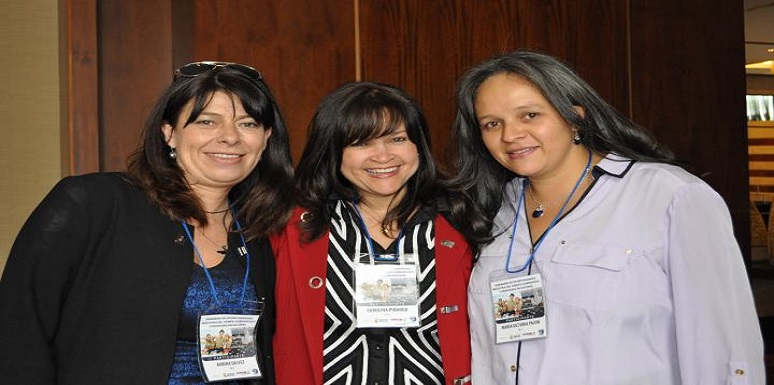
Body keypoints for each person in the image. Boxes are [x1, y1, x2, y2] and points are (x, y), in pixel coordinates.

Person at [453, 50, 765, 384]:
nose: (510, 134)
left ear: (575, 117)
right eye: (492, 124)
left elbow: (723, 347)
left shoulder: (669, 196)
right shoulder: (495, 210)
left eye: (529, 115)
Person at [0, 61, 293, 385]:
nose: (229, 137)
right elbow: (17, 329)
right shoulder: (93, 204)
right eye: (207, 121)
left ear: (265, 139)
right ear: (169, 133)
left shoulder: (258, 233)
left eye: (247, 124)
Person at [271, 81, 490, 385]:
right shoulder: (291, 228)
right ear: (333, 151)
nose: (383, 156)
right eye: (361, 143)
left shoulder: (462, 222)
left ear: (419, 145)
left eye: (397, 138)